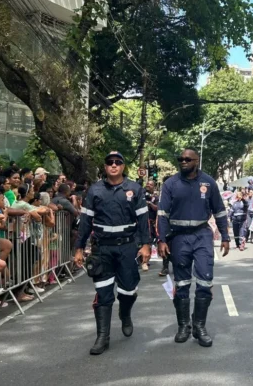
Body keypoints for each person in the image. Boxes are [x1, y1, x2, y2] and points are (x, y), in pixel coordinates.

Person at [73, 151, 151, 355]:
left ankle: (125, 314)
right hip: (102, 249)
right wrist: (79, 248)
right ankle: (103, 337)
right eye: (110, 162)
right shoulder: (95, 190)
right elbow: (86, 222)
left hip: (127, 247)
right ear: (105, 167)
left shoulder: (134, 188)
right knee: (103, 292)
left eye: (118, 162)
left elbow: (143, 220)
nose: (114, 165)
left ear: (123, 166)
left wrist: (146, 245)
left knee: (128, 290)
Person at [157, 149, 229, 348]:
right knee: (182, 283)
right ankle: (183, 326)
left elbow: (220, 211)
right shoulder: (171, 184)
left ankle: (199, 326)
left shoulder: (209, 183)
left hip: (202, 235)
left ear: (197, 161)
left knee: (205, 281)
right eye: (180, 159)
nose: (183, 161)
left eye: (188, 159)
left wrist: (225, 236)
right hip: (179, 238)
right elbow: (162, 214)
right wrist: (161, 240)